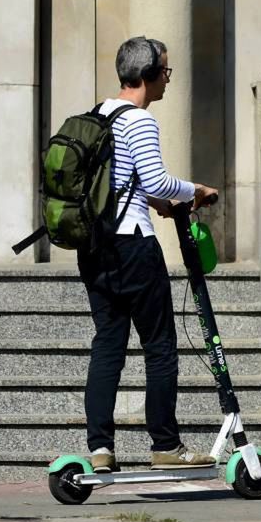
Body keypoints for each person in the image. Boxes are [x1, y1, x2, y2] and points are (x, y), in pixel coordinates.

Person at [79, 36, 219, 473]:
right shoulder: (139, 121)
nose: (167, 80)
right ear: (147, 76)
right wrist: (196, 190)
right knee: (159, 347)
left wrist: (158, 203)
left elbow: (123, 181)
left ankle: (100, 448)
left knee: (107, 347)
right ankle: (166, 445)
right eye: (165, 72)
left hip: (95, 247)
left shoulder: (97, 115)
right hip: (133, 246)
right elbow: (156, 181)